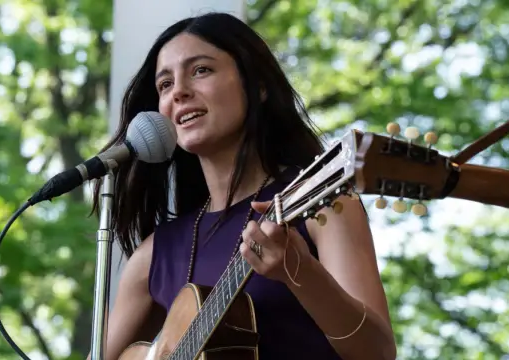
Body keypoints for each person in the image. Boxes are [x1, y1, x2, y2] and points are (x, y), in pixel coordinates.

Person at [89, 12, 396, 360]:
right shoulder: (154, 255)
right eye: (165, 85)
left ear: (259, 85)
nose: (179, 92)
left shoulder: (324, 204)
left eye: (200, 70)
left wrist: (301, 273)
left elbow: (379, 352)